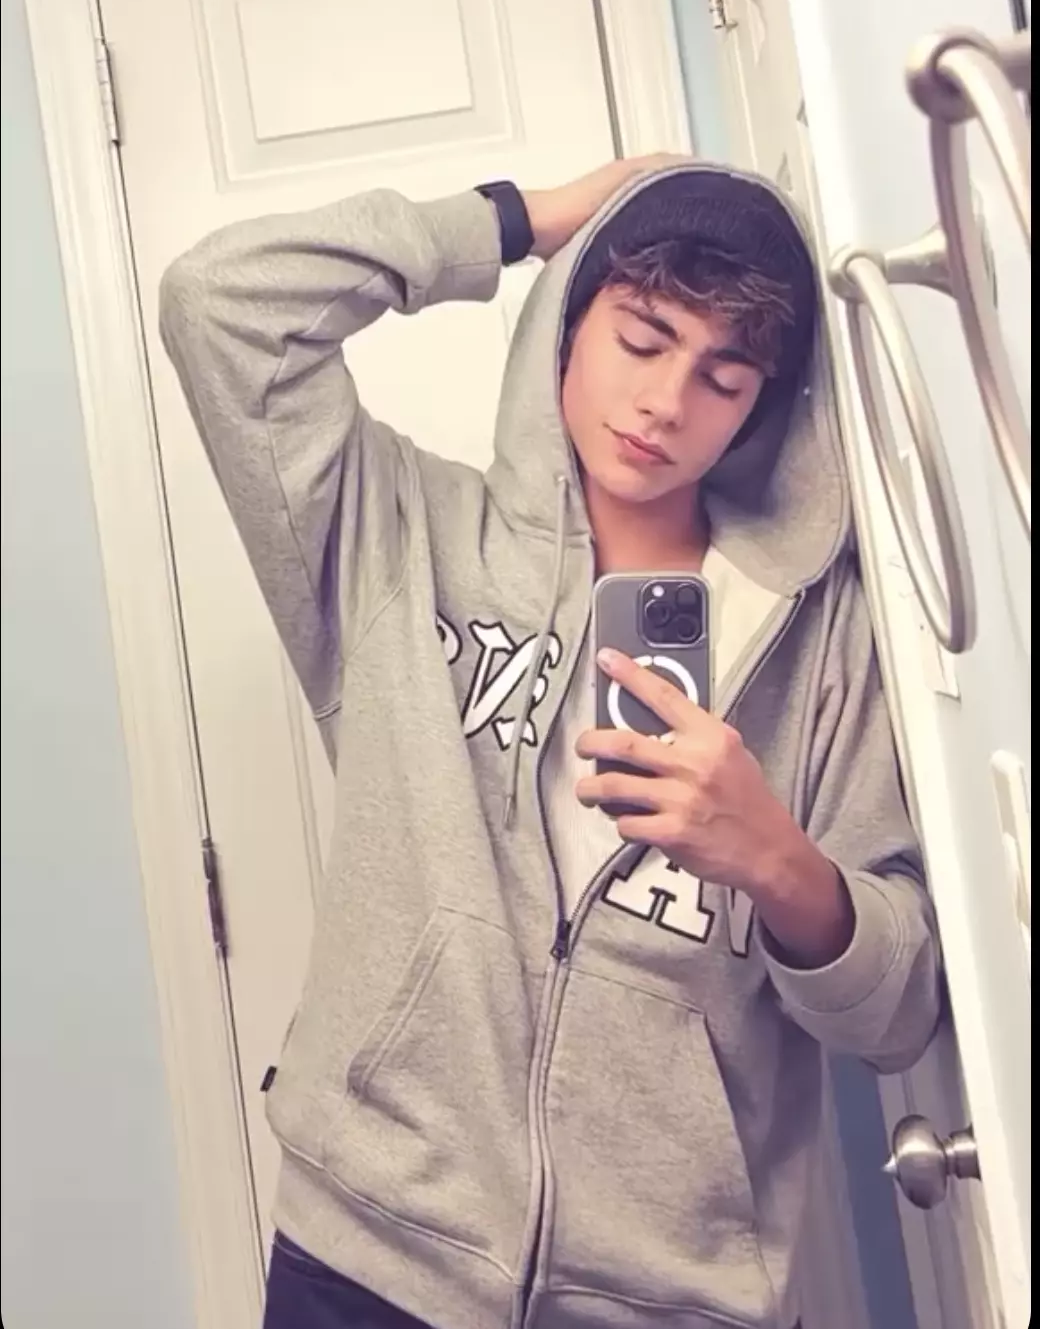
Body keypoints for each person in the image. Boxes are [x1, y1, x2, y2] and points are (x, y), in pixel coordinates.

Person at [160, 157, 940, 1329]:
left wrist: (775, 858)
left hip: (669, 1297)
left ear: (758, 405)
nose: (665, 401)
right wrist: (528, 220)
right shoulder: (397, 538)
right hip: (370, 1257)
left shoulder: (824, 639)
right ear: (569, 324)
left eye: (721, 375)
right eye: (641, 336)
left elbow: (896, 1014)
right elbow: (217, 302)